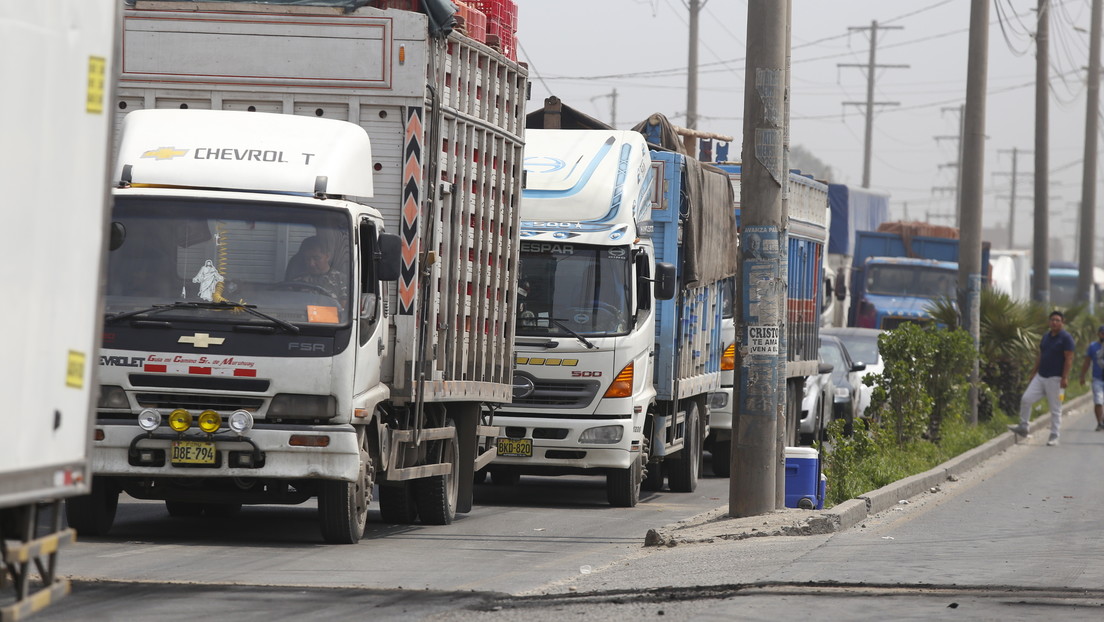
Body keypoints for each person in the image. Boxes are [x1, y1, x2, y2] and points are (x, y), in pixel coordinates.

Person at [1009, 310, 1075, 446]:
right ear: (1049, 322)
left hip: (1055, 378)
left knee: (1055, 408)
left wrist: (1065, 377)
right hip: (1041, 376)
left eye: (1058, 320)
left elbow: (1069, 358)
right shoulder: (1046, 337)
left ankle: (1054, 436)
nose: (1054, 322)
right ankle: (1023, 426)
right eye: (1052, 320)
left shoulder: (1066, 338)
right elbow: (1041, 355)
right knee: (1026, 399)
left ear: (1063, 323)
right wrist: (1034, 371)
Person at [290, 236, 348, 303]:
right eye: (308, 259)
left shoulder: (341, 280)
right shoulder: (296, 282)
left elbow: (344, 309)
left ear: (327, 256)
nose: (311, 264)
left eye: (316, 258)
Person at [1077, 324, 1104, 431]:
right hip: (1097, 379)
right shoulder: (1093, 347)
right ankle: (1099, 423)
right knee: (1098, 401)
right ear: (1098, 334)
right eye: (1102, 333)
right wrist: (1082, 376)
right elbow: (1087, 362)